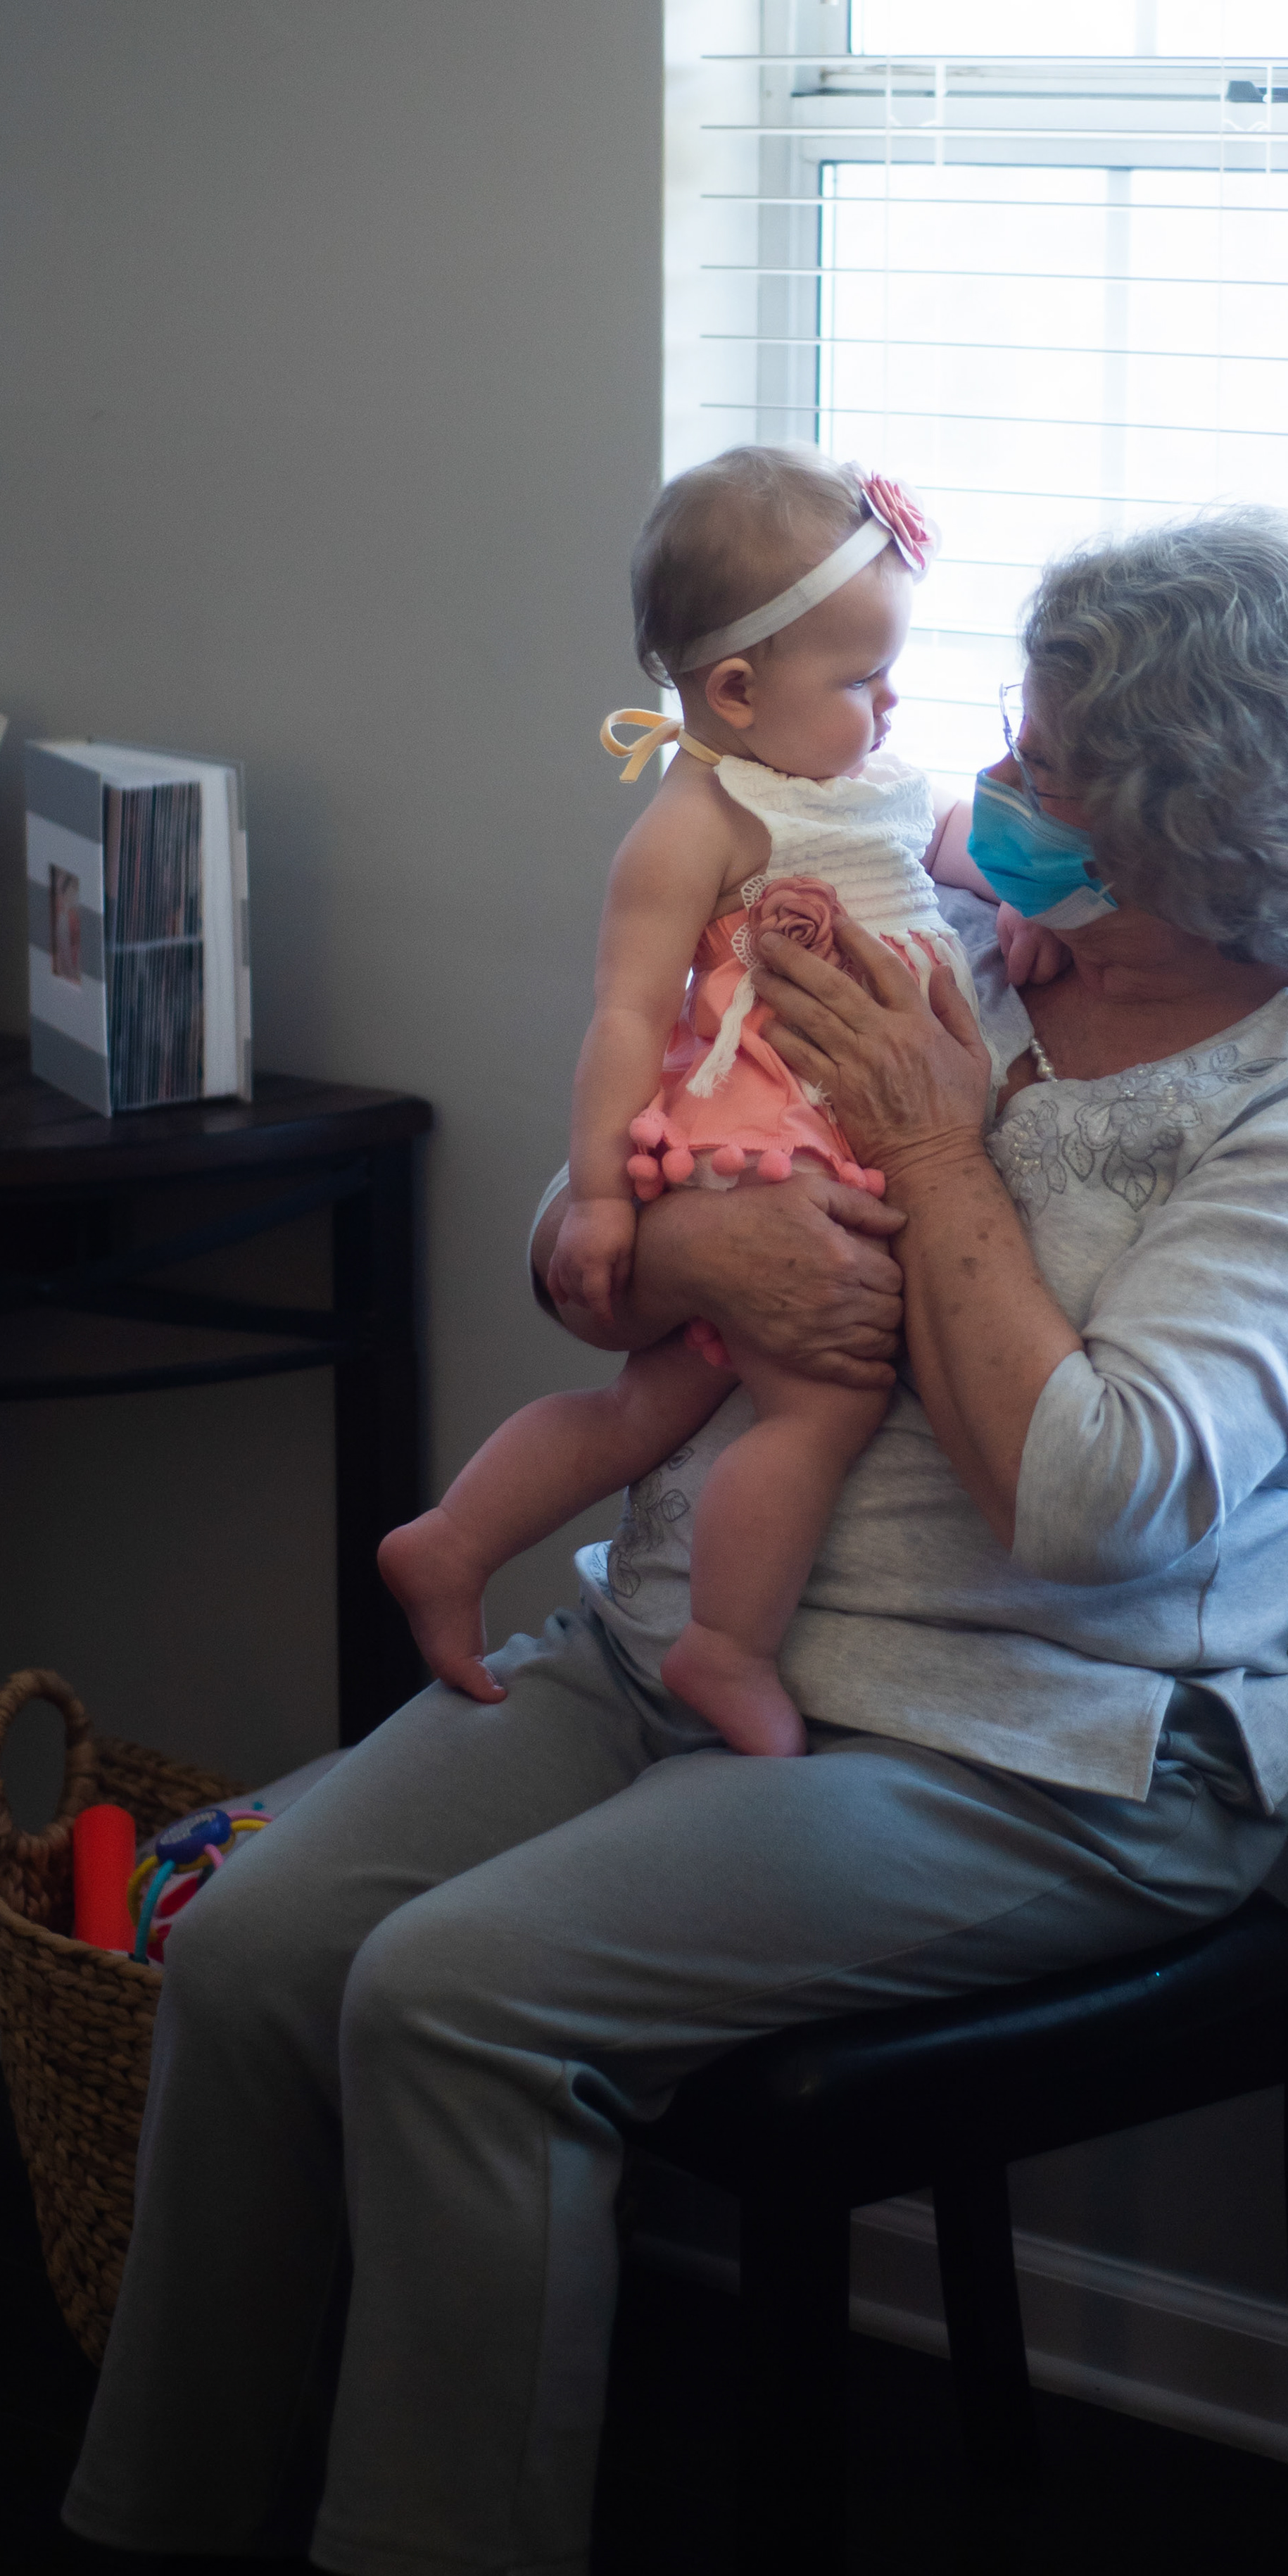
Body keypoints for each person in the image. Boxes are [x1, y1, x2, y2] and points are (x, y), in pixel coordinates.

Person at [0, 509, 1288, 2576]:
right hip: (672, 1645)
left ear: (1196, 829)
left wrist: (938, 1153)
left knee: (453, 1999)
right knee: (245, 1948)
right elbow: (605, 1249)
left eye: (1052, 762)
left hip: (1037, 1751)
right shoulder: (943, 947)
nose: (989, 783)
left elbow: (1091, 1503)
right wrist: (676, 1238)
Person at [377, 446, 1040, 1759]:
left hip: (824, 1134)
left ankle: (451, 1539)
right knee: (823, 1404)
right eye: (860, 679)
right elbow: (628, 1017)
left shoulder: (858, 776)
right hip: (772, 1143)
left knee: (648, 1409)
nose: (892, 701)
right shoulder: (700, 823)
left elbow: (950, 833)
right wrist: (602, 1199)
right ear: (735, 691)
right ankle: (725, 1646)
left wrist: (1030, 896)